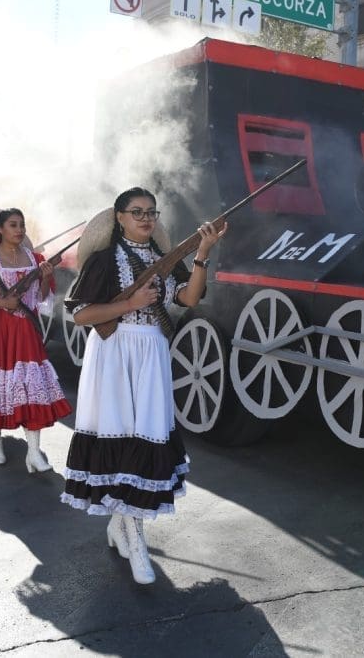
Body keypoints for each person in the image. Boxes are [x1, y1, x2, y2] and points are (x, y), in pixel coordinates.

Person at [60, 187, 226, 585]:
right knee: (121, 440)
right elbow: (83, 315)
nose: (146, 219)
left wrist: (201, 253)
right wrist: (129, 305)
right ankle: (135, 541)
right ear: (119, 217)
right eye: (137, 212)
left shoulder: (162, 260)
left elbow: (189, 297)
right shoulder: (103, 261)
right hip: (114, 354)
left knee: (144, 439)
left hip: (151, 354)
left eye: (151, 212)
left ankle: (122, 526)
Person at [0, 209, 71, 471]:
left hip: (25, 331)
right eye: (13, 225)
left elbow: (41, 299)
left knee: (31, 388)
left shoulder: (36, 259)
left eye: (22, 225)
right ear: (0, 230)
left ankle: (33, 451)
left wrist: (46, 276)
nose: (19, 230)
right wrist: (1, 302)